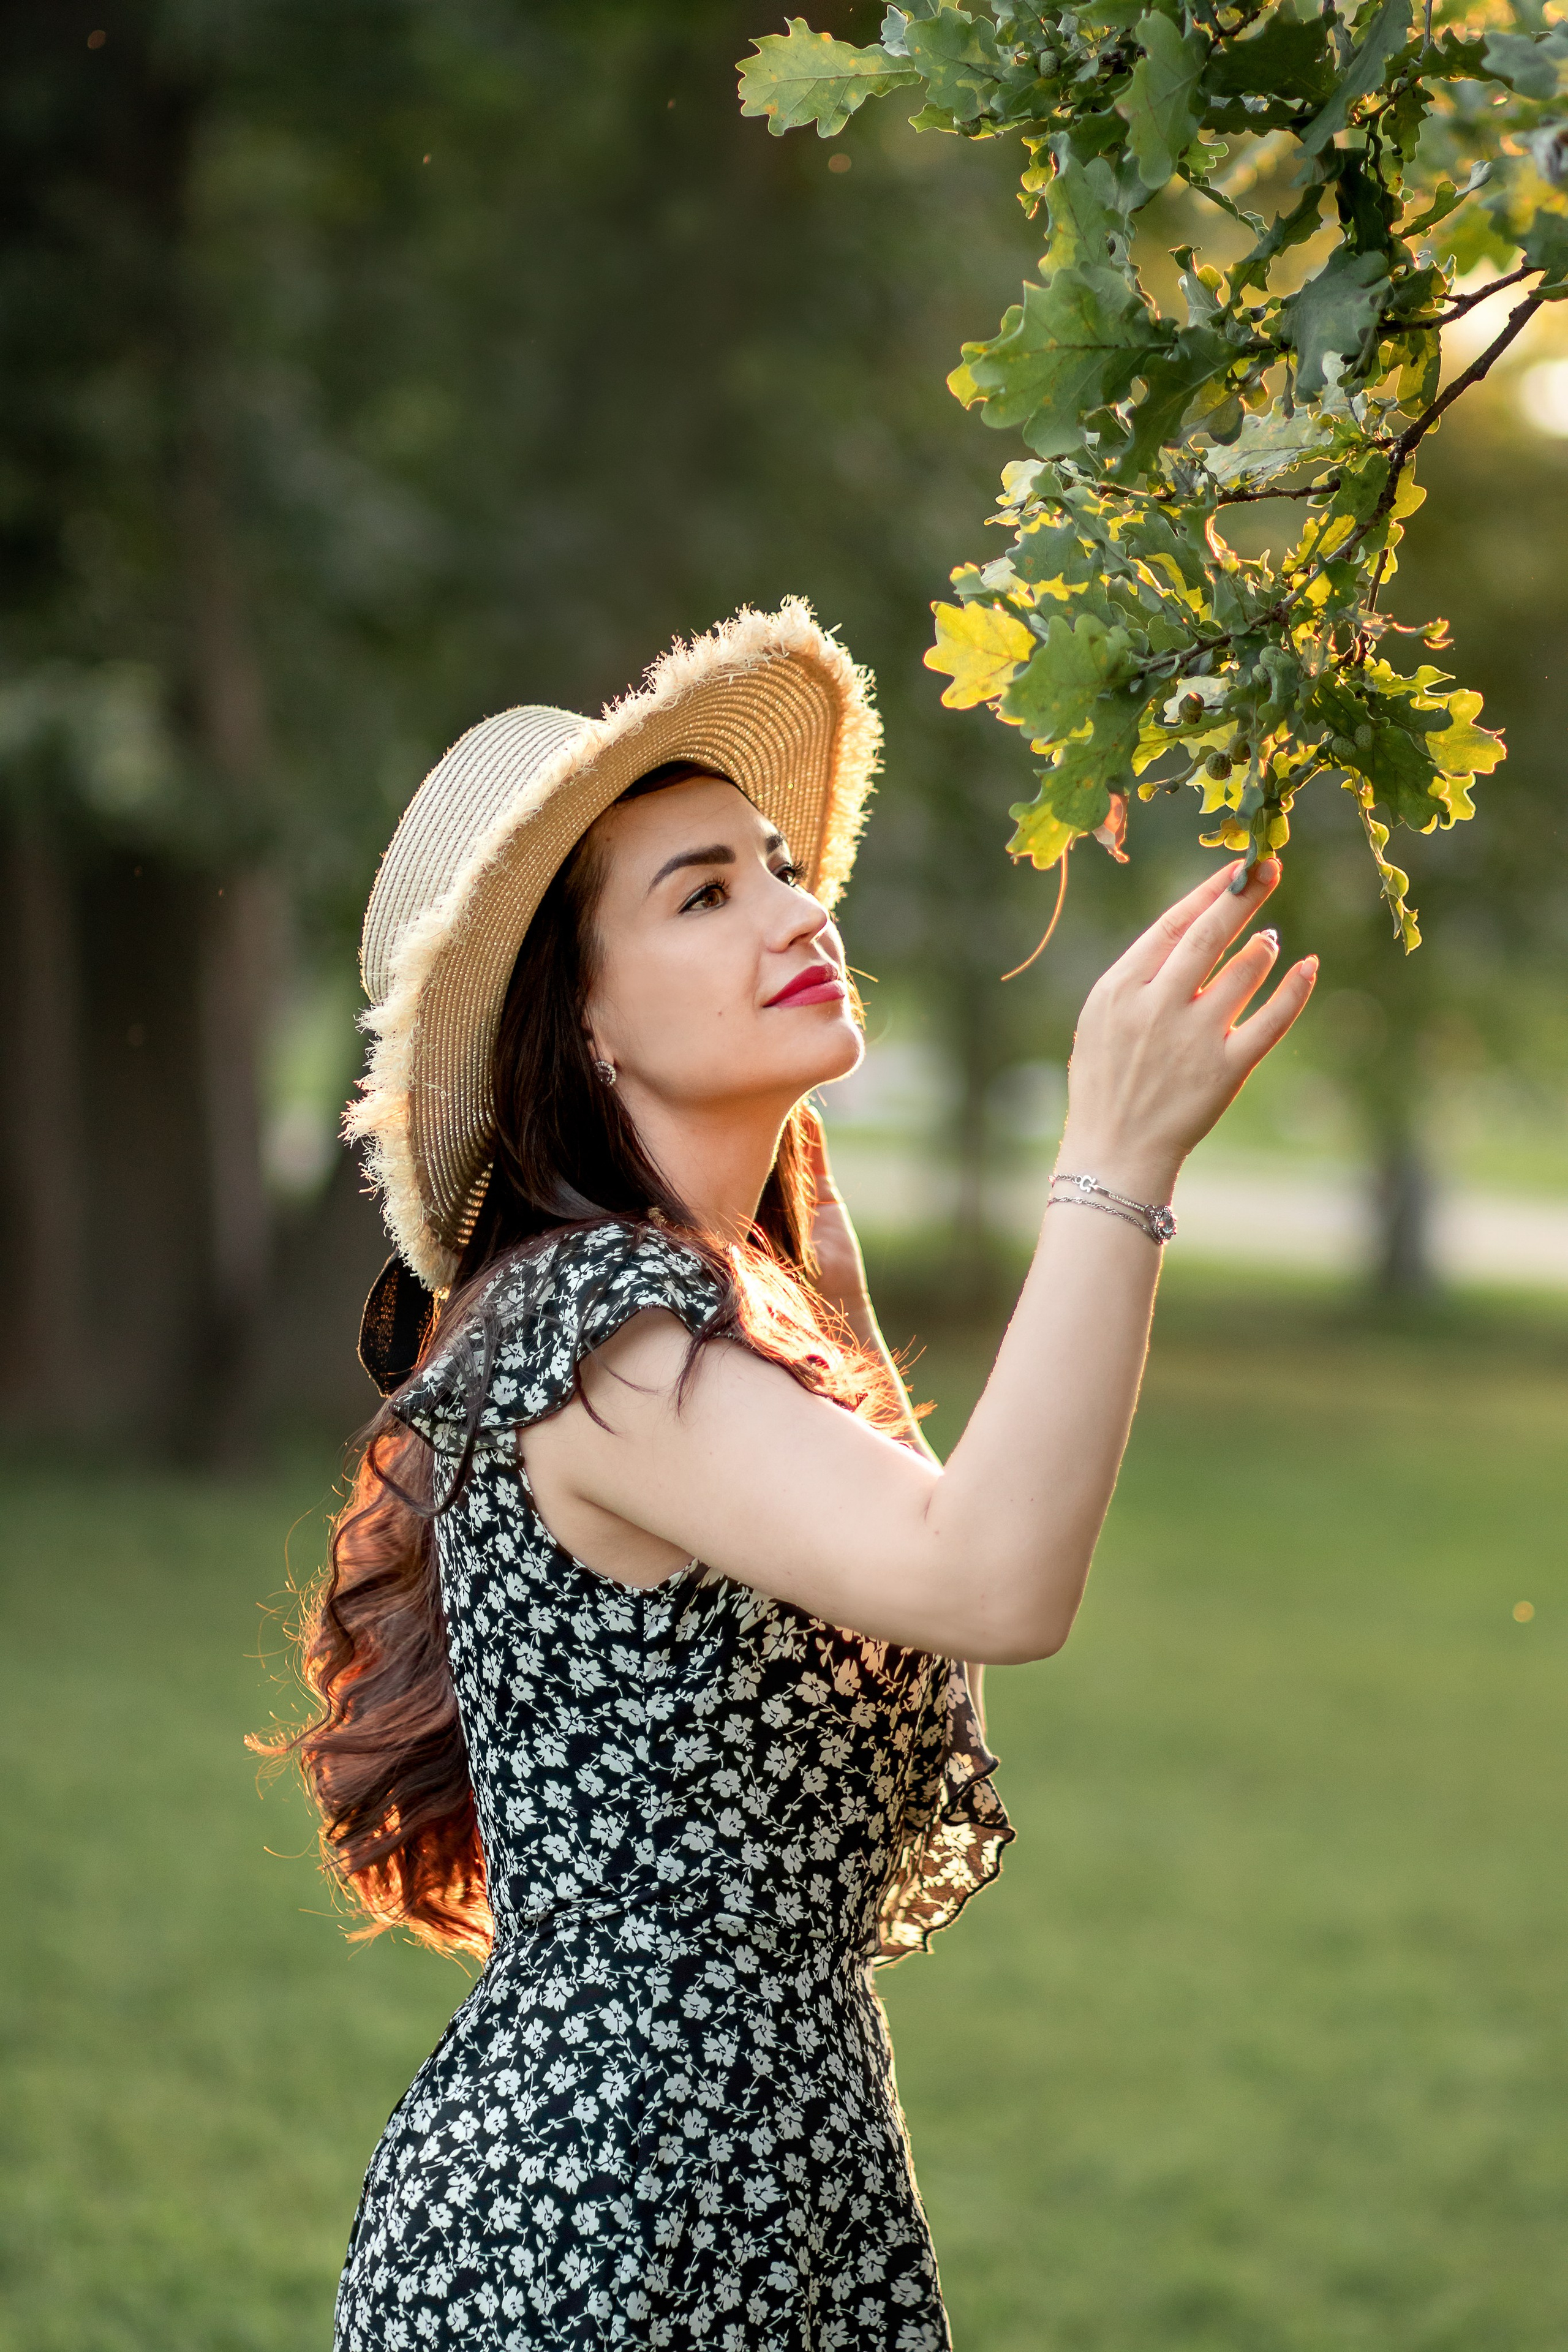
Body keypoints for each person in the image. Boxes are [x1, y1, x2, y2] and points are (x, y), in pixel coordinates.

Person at [271, 600, 1316, 2351]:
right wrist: (1118, 1161)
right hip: (600, 2222)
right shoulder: (599, 1327)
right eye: (704, 894)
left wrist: (823, 1283)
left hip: (771, 2176)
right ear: (580, 1025)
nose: (791, 906)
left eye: (775, 865)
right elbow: (993, 1577)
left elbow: (924, 1590)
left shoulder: (707, 1310)